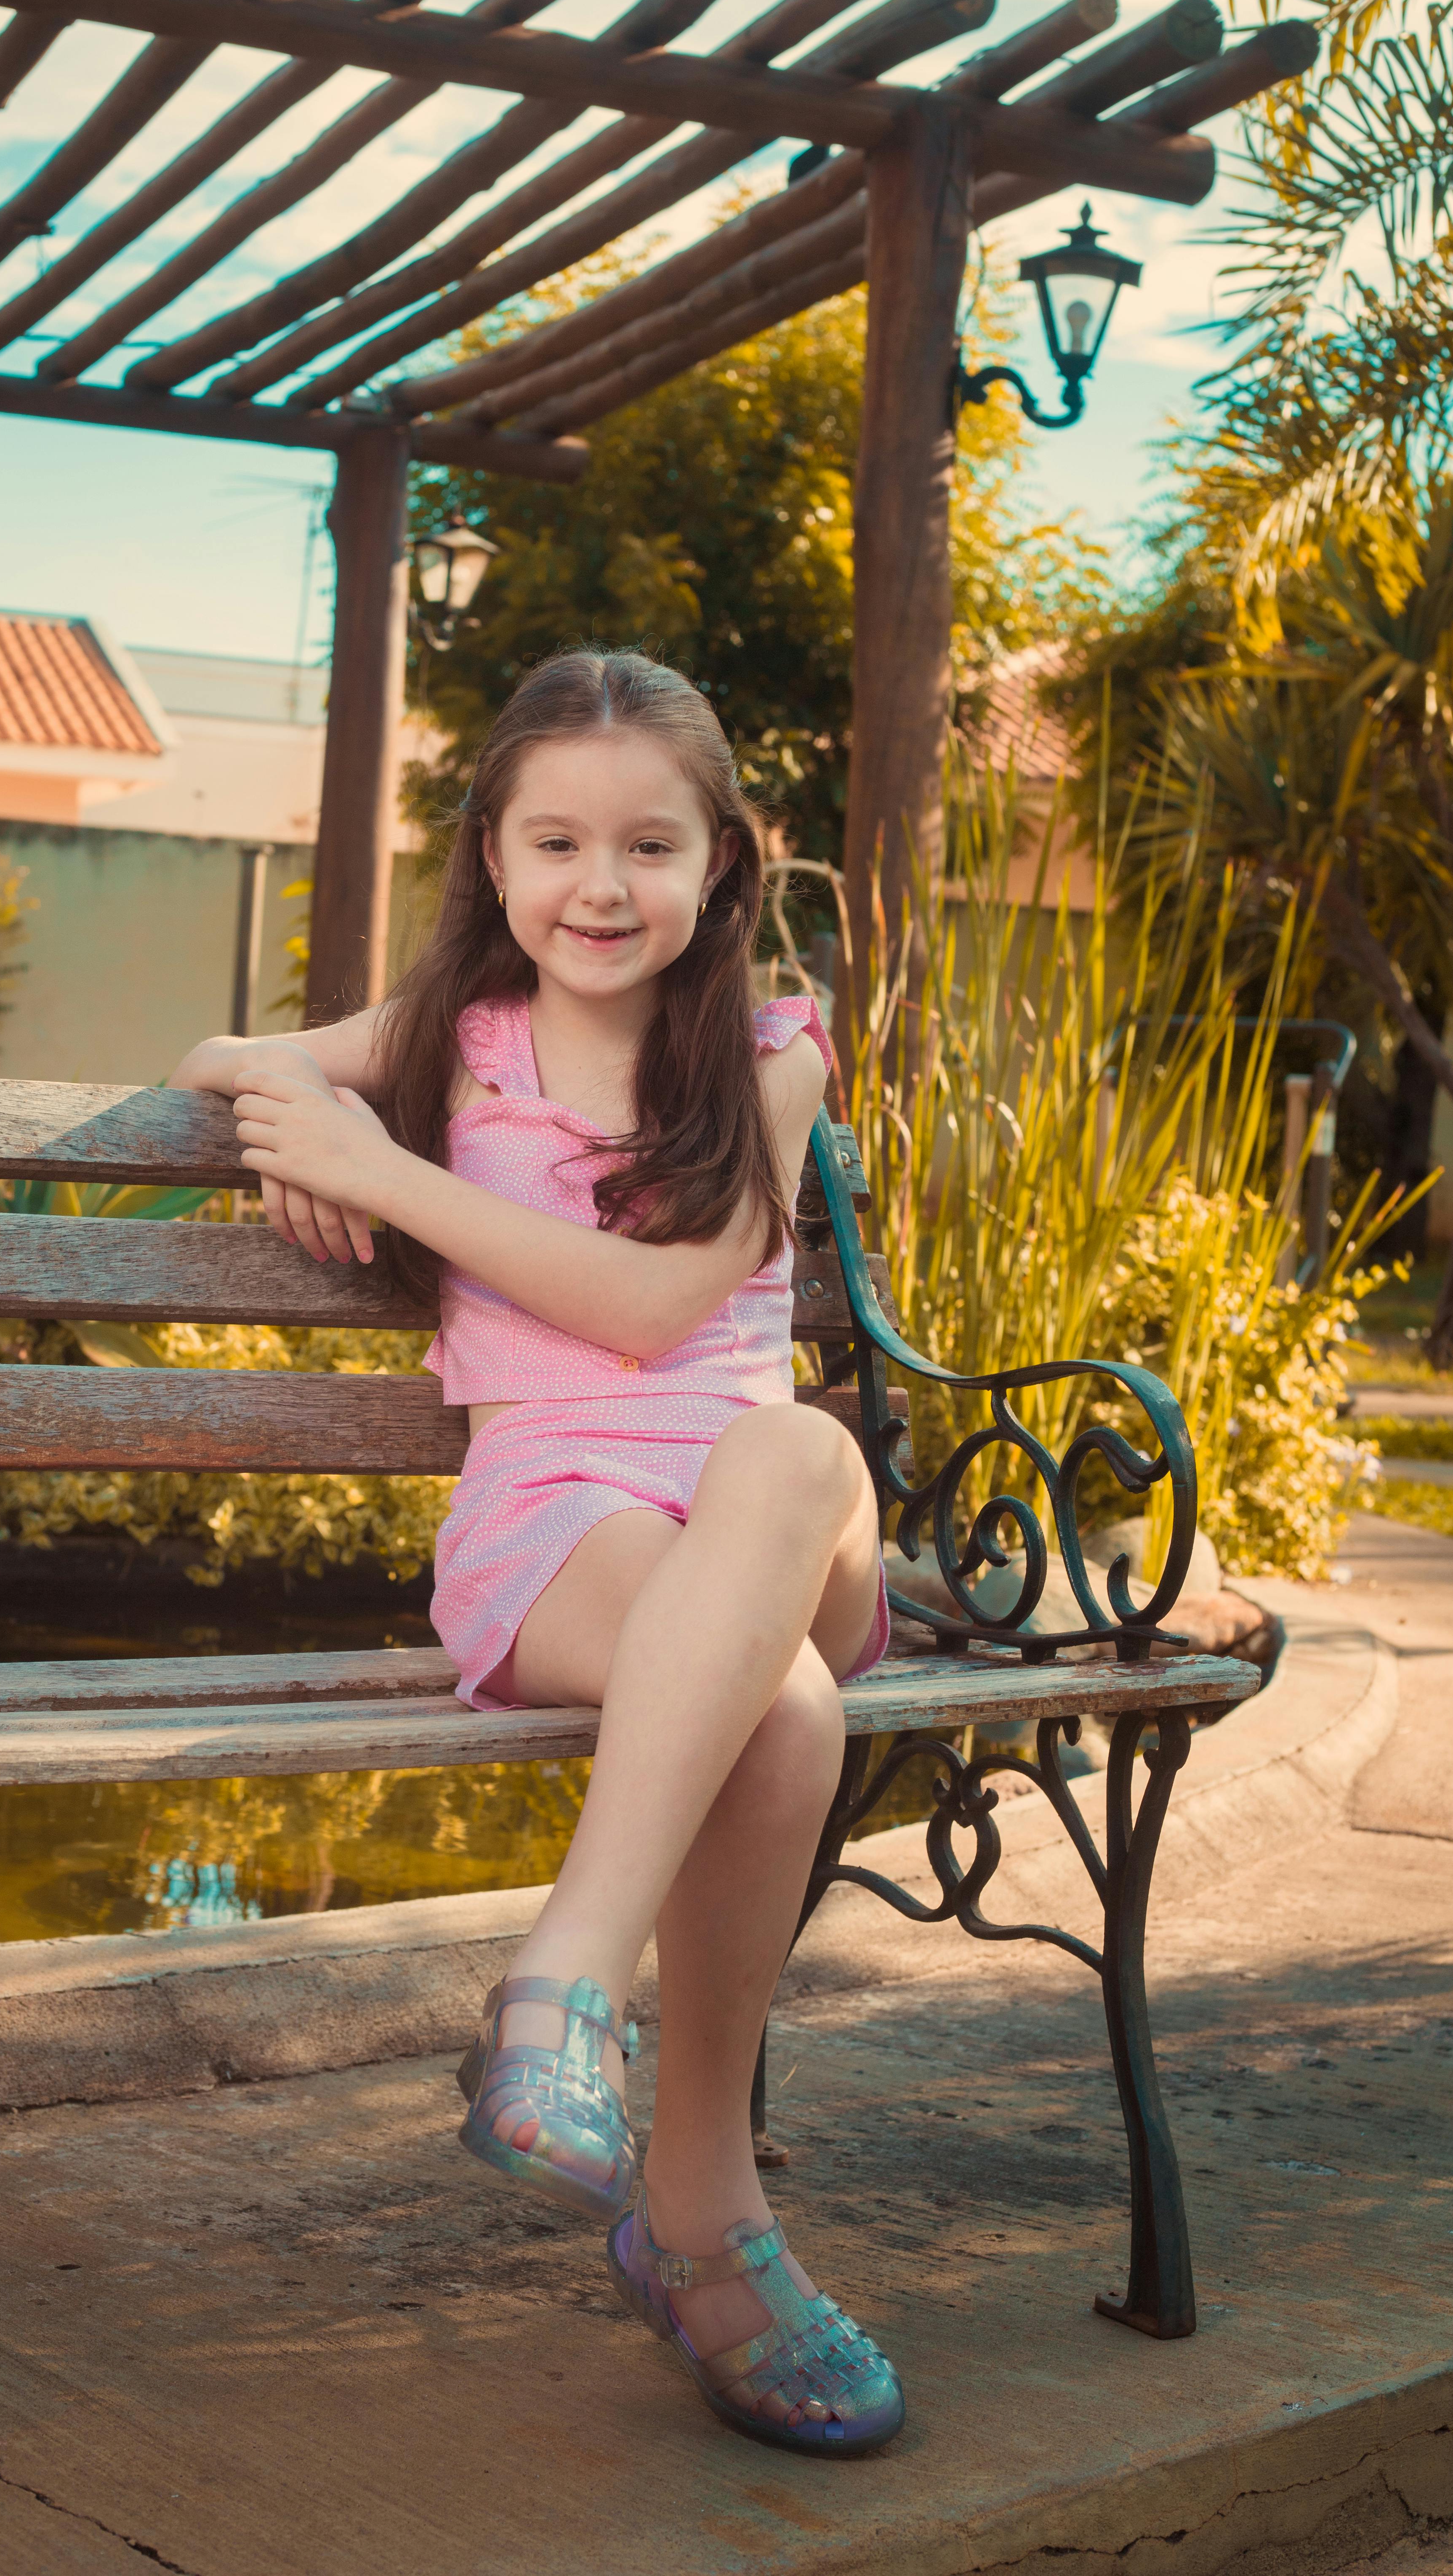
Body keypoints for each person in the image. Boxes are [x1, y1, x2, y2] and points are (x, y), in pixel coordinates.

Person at [167, 648, 903, 2458]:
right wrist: (299, 1107)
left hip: (774, 1513)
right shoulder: (457, 1038)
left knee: (792, 1445)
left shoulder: (766, 1053)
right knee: (786, 1721)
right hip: (557, 1522)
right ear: (490, 859)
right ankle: (703, 2222)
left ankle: (562, 1981)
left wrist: (387, 1169)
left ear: (722, 861)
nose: (599, 885)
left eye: (647, 845)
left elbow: (660, 1309)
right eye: (554, 841)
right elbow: (216, 1058)